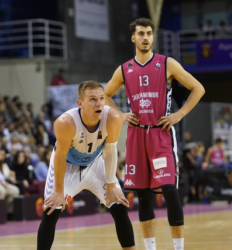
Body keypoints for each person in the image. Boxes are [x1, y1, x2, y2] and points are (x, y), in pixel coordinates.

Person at [104, 18, 205, 250]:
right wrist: (120, 115)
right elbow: (105, 95)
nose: (145, 37)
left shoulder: (167, 63)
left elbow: (198, 88)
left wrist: (178, 115)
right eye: (141, 33)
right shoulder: (124, 69)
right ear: (133, 38)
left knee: (170, 189)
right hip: (136, 136)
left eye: (149, 33)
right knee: (143, 196)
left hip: (160, 135)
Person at [37, 81, 135, 250]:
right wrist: (59, 191)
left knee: (118, 205)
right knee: (51, 210)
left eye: (101, 98)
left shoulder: (113, 117)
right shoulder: (65, 122)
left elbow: (111, 152)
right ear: (80, 103)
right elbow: (59, 157)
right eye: (92, 99)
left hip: (96, 164)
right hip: (67, 167)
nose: (99, 103)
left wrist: (111, 185)